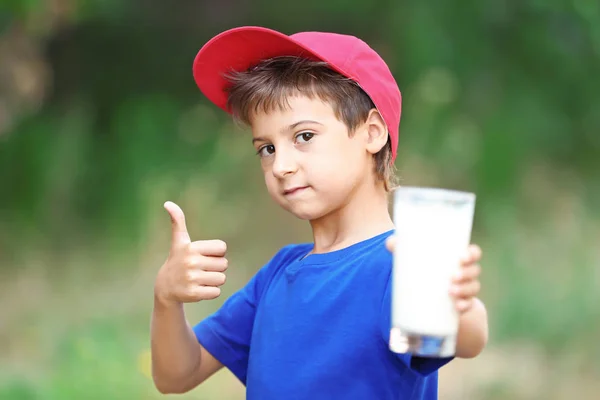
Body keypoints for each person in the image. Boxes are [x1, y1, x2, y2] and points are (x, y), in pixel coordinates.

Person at [150, 26, 488, 400]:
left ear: (372, 133)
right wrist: (166, 298)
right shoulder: (277, 275)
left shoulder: (398, 265)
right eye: (266, 149)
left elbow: (468, 339)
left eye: (304, 137)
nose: (281, 166)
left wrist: (457, 302)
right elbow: (176, 375)